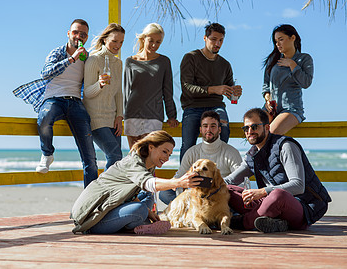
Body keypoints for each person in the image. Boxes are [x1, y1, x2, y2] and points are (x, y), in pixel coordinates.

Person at [13, 19, 98, 187]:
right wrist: (71, 59)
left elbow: (90, 82)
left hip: (76, 102)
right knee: (45, 117)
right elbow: (46, 73)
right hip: (54, 99)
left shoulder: (87, 58)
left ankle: (90, 199)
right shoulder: (58, 52)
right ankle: (47, 154)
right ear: (68, 33)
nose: (78, 36)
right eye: (75, 32)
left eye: (83, 34)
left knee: (89, 155)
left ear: (87, 37)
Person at [70, 130, 202, 235]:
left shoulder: (149, 164)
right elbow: (149, 183)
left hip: (111, 206)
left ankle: (141, 222)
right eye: (164, 152)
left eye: (169, 154)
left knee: (147, 196)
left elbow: (130, 194)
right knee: (140, 209)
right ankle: (137, 226)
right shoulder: (133, 163)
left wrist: (150, 213)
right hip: (92, 219)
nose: (167, 158)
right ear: (151, 147)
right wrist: (178, 182)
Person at [224, 108, 331, 233]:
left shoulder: (285, 146)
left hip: (302, 207)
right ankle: (275, 223)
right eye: (246, 128)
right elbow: (229, 180)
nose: (250, 131)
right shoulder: (252, 155)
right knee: (226, 189)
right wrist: (202, 184)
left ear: (267, 128)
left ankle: (237, 222)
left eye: (254, 127)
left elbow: (298, 185)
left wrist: (263, 191)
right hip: (268, 203)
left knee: (277, 195)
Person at [180, 22, 242, 161]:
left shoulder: (225, 64)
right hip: (193, 107)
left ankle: (217, 173)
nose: (217, 43)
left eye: (221, 40)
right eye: (213, 39)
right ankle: (184, 181)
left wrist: (235, 93)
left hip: (216, 107)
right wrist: (214, 89)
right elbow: (187, 88)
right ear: (205, 38)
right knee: (188, 145)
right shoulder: (191, 57)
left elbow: (230, 95)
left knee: (223, 131)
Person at [159, 110, 242, 205]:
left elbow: (240, 182)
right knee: (165, 193)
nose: (208, 130)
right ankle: (192, 209)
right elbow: (179, 177)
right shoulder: (192, 152)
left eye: (213, 126)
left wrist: (217, 187)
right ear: (200, 129)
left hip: (220, 196)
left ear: (219, 130)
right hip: (196, 197)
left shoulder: (231, 152)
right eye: (205, 126)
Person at [124, 23, 179, 148]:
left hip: (154, 115)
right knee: (134, 157)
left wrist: (172, 116)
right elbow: (126, 91)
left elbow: (168, 91)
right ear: (144, 38)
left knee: (150, 157)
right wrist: (123, 115)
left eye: (158, 42)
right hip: (132, 114)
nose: (154, 45)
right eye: (151, 41)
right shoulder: (130, 61)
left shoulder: (164, 61)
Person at [83, 23, 125, 170]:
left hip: (112, 118)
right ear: (105, 39)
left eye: (121, 42)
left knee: (117, 160)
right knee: (115, 156)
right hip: (96, 118)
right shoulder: (93, 60)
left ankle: (112, 192)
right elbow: (87, 93)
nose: (117, 45)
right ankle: (103, 190)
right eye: (114, 41)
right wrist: (99, 84)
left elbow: (119, 92)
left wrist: (120, 116)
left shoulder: (119, 63)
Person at [262, 24, 314, 135]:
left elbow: (306, 83)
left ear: (292, 38)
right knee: (255, 130)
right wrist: (267, 99)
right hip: (271, 109)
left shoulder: (304, 59)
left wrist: (292, 64)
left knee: (270, 133)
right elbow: (266, 84)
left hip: (291, 109)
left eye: (281, 39)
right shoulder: (273, 59)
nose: (278, 44)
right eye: (276, 41)